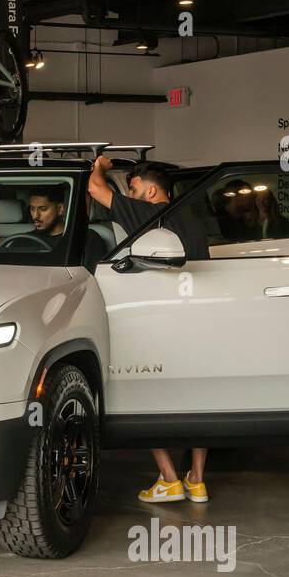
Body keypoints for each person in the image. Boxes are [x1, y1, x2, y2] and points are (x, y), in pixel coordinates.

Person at [87, 154, 210, 503]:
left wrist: (102, 164)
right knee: (200, 398)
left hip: (163, 320)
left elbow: (96, 189)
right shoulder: (194, 220)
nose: (130, 194)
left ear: (153, 191)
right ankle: (197, 480)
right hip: (200, 319)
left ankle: (170, 479)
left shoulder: (151, 214)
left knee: (143, 393)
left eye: (135, 188)